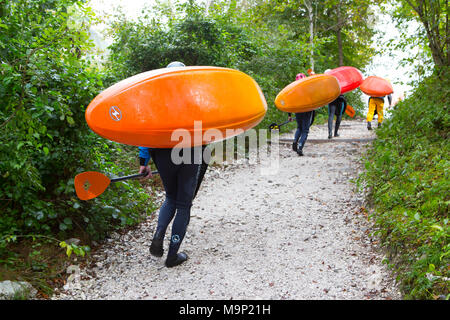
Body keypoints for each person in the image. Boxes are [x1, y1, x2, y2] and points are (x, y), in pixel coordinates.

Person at [139, 61, 210, 268]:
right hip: (190, 152)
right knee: (183, 205)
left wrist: (143, 162)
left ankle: (159, 234)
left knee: (170, 197)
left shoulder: (155, 101)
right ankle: (172, 255)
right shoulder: (195, 98)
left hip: (161, 153)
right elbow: (207, 127)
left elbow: (145, 132)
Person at [289, 72, 316, 156]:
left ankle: (295, 141)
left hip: (298, 111)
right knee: (305, 130)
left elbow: (289, 103)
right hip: (307, 111)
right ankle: (300, 147)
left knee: (299, 128)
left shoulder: (293, 90)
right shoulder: (308, 89)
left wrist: (289, 115)